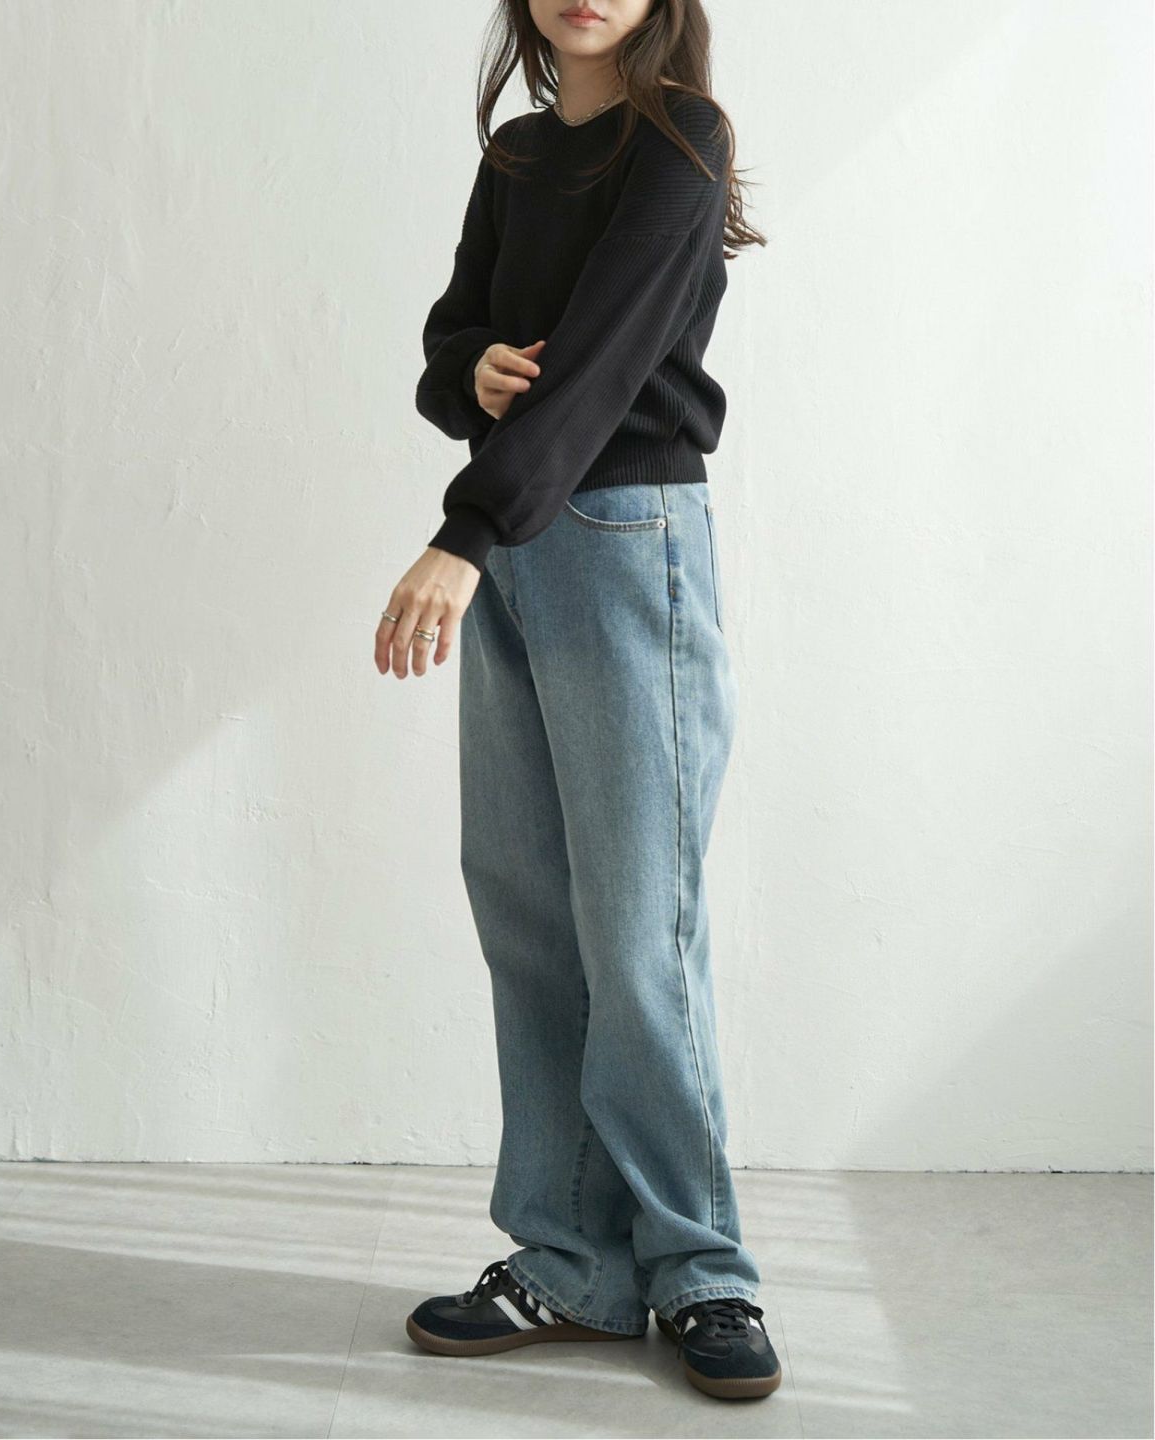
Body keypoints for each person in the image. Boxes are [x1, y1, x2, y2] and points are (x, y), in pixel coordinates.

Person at [374, 0, 778, 1402]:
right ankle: (573, 1262)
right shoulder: (518, 157)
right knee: (532, 916)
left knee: (638, 928)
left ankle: (703, 1270)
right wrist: (469, 371)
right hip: (521, 544)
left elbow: (605, 361)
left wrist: (464, 533)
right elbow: (452, 340)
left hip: (620, 540)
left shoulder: (682, 142)